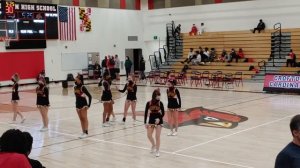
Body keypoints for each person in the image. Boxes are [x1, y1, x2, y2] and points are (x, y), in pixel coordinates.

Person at [144, 89, 165, 157]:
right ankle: (153, 145)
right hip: (151, 120)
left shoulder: (160, 103)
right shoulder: (149, 103)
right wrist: (145, 122)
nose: (159, 97)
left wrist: (159, 118)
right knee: (149, 135)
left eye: (159, 96)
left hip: (159, 121)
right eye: (158, 96)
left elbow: (163, 113)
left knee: (157, 136)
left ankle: (157, 150)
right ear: (154, 96)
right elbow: (145, 113)